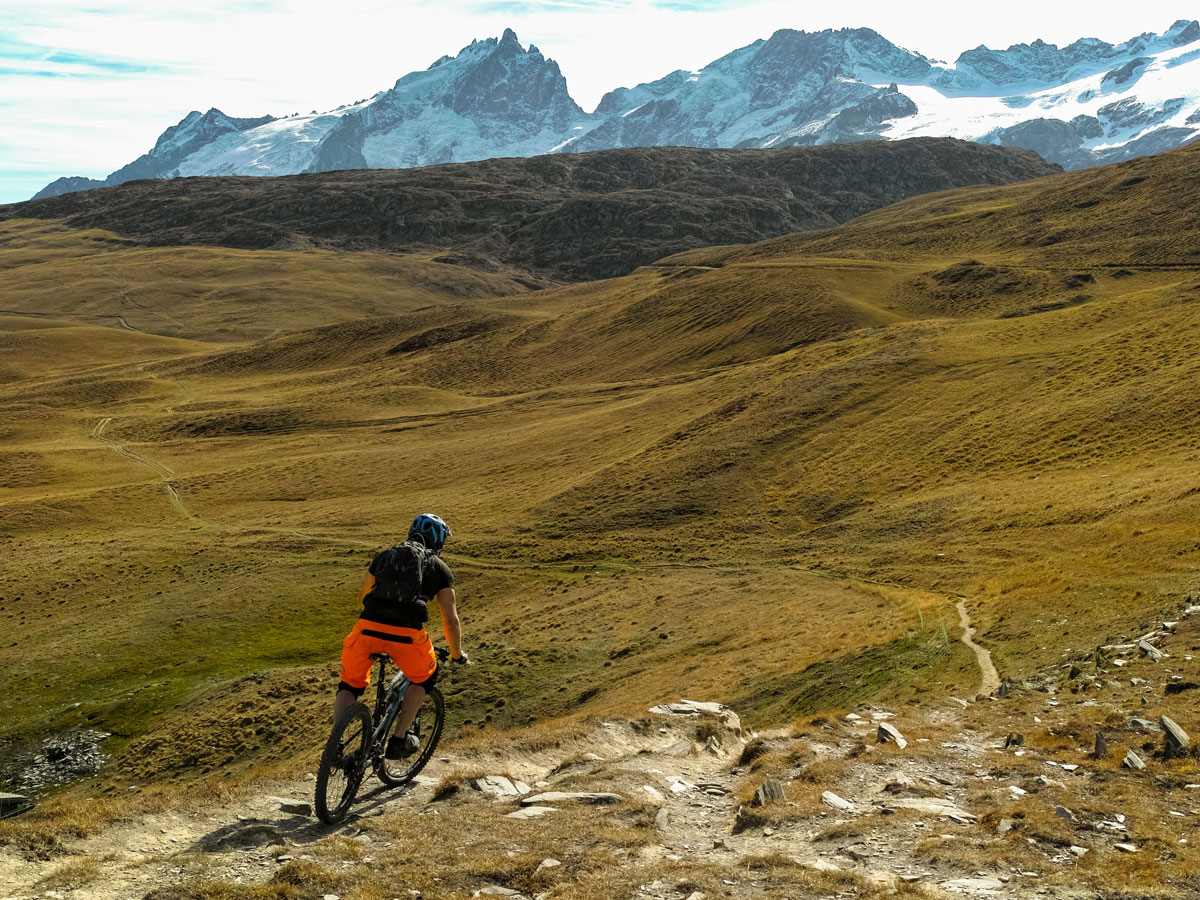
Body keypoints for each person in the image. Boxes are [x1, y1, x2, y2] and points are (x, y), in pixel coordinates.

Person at [334, 513, 467, 758]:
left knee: (348, 685)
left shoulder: (385, 556)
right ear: (438, 541)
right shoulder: (440, 569)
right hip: (407, 636)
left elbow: (363, 596)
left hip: (367, 628)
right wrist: (457, 654)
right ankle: (399, 739)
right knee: (425, 678)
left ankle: (336, 744)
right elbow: (450, 619)